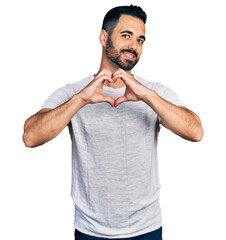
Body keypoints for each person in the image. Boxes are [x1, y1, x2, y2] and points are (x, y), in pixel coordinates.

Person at [23, 5, 203, 240]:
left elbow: (196, 131)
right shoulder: (75, 93)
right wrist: (81, 99)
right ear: (103, 37)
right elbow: (30, 136)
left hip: (146, 228)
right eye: (126, 35)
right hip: (91, 230)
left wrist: (146, 96)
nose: (134, 46)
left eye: (140, 40)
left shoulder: (154, 92)